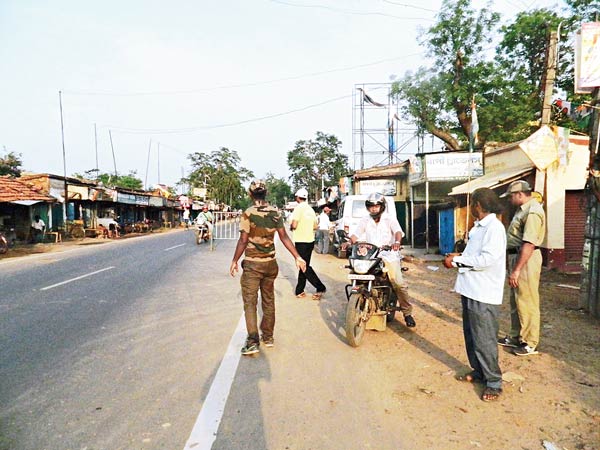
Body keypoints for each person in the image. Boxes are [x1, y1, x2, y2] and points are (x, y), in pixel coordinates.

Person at [230, 180, 306, 356]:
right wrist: (297, 256)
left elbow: (243, 240)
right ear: (266, 194)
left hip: (252, 264)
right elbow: (285, 237)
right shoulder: (275, 213)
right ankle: (268, 337)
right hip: (270, 264)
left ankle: (252, 341)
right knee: (268, 300)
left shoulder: (248, 213)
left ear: (250, 194)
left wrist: (235, 260)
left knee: (250, 303)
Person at [443, 188, 506, 402]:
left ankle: (494, 382)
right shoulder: (479, 227)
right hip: (470, 288)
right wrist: (458, 256)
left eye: (472, 204)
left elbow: (486, 260)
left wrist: (457, 261)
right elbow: (474, 255)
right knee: (472, 336)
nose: (470, 208)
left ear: (478, 205)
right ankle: (479, 372)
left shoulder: (494, 228)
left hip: (483, 292)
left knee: (485, 339)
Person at [346, 192, 416, 328]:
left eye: (376, 206)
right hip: (373, 255)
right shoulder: (365, 220)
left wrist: (396, 242)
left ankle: (407, 313)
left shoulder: (389, 218)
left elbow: (397, 232)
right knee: (358, 273)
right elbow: (356, 234)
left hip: (389, 255)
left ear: (381, 207)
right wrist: (349, 242)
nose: (373, 209)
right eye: (371, 206)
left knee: (398, 283)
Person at [498, 180, 546, 356]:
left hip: (526, 258)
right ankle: (516, 335)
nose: (509, 199)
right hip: (517, 256)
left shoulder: (533, 212)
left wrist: (517, 269)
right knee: (516, 299)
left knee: (527, 299)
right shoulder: (522, 210)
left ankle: (530, 341)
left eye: (511, 196)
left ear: (519, 194)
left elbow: (529, 244)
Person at [290, 188, 327, 300]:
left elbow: (295, 225)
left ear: (297, 198)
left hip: (301, 241)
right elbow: (315, 226)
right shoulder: (310, 210)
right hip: (310, 241)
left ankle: (320, 287)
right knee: (303, 266)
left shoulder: (298, 209)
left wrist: (291, 226)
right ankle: (299, 290)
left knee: (303, 266)